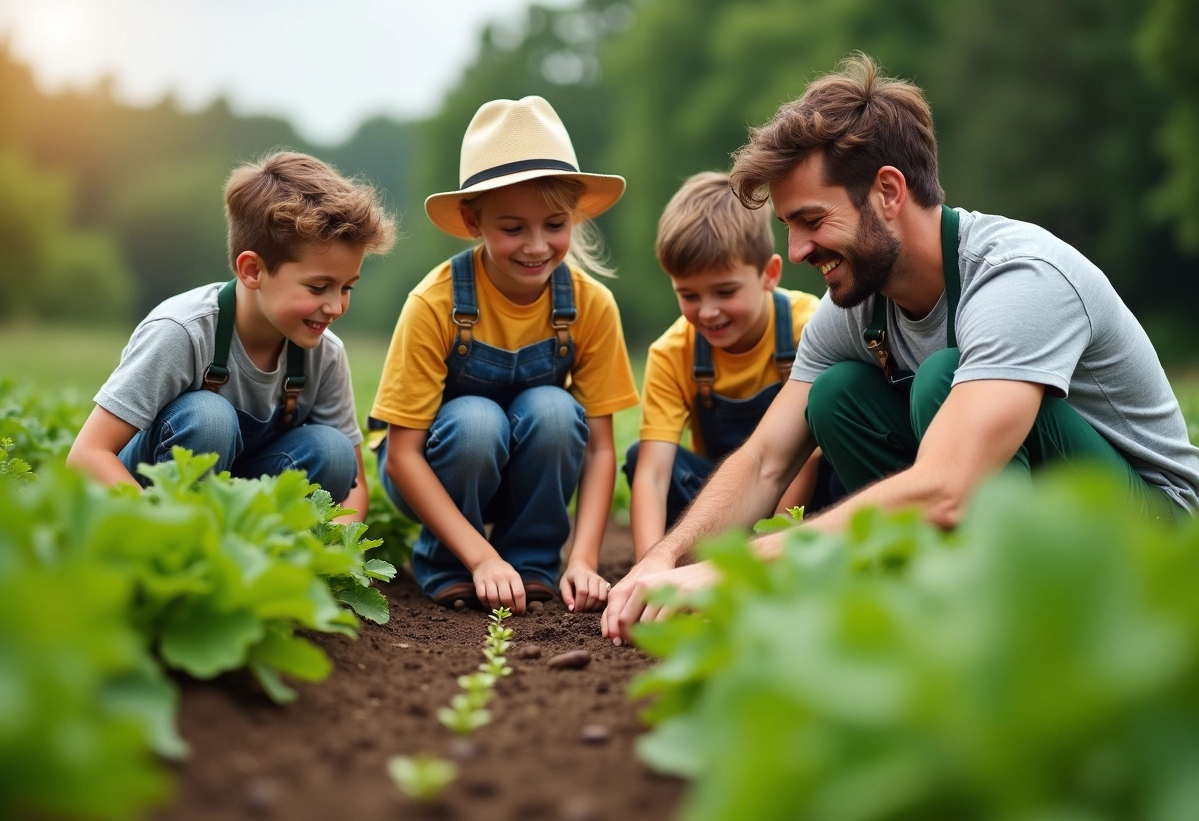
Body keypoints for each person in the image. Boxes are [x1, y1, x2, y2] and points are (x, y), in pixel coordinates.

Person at [602, 52, 1199, 643]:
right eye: (789, 226)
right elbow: (765, 460)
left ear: (888, 190)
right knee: (837, 395)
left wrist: (737, 571)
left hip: (1152, 539)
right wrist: (669, 559)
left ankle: (1015, 621)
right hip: (1029, 522)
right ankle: (935, 598)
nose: (800, 249)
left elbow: (948, 487)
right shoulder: (853, 304)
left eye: (811, 219)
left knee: (943, 379)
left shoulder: (1019, 279)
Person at [368, 95, 638, 615]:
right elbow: (402, 457)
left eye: (555, 225)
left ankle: (532, 562)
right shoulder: (437, 302)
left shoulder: (589, 305)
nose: (537, 246)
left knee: (555, 412)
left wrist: (582, 559)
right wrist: (481, 558)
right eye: (512, 228)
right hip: (432, 469)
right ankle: (451, 561)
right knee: (475, 420)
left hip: (527, 470)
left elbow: (601, 449)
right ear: (473, 221)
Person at [67, 151, 395, 524]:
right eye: (319, 287)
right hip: (148, 504)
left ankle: (254, 555)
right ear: (252, 270)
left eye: (347, 288)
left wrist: (330, 546)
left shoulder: (325, 353)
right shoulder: (182, 332)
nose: (335, 306)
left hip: (241, 506)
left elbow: (354, 486)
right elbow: (87, 455)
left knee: (332, 451)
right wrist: (161, 528)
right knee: (210, 419)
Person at [623, 171, 824, 561]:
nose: (709, 311)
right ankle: (694, 556)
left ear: (769, 274)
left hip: (803, 501)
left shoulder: (810, 326)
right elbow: (653, 474)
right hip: (720, 501)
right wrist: (649, 562)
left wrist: (771, 546)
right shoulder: (672, 352)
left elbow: (809, 457)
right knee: (637, 457)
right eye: (689, 295)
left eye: (725, 291)